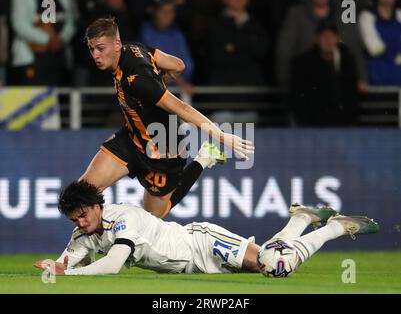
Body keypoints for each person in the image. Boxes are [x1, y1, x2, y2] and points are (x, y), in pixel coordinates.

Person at [79, 18, 254, 218]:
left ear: (117, 44)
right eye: (92, 49)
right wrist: (159, 84)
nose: (95, 55)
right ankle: (79, 249)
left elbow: (182, 108)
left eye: (101, 48)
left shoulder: (139, 79)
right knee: (82, 194)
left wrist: (222, 136)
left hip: (164, 150)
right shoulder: (133, 48)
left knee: (151, 219)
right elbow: (178, 65)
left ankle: (203, 159)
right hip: (132, 139)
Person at [33, 180, 379, 277]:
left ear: (96, 206)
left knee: (277, 267)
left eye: (82, 215)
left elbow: (110, 265)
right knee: (272, 259)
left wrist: (66, 276)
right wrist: (57, 266)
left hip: (202, 242)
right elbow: (67, 262)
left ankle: (333, 228)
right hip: (197, 266)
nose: (79, 224)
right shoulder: (82, 232)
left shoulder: (123, 217)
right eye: (73, 220)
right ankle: (300, 218)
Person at [276, 0, 368, 92]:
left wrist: (361, 77)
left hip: (338, 84)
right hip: (305, 82)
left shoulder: (343, 14)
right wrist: (284, 80)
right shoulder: (296, 14)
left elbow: (354, 48)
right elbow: (284, 49)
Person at [289, 23, 359, 126]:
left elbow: (351, 94)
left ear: (338, 38)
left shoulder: (347, 60)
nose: (328, 40)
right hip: (313, 125)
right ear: (316, 39)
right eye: (324, 36)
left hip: (342, 124)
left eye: (332, 36)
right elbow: (298, 97)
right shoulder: (303, 63)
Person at [9, 0, 76, 86]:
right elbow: (19, 24)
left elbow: (71, 20)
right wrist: (47, 40)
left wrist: (62, 39)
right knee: (35, 97)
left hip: (59, 57)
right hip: (32, 58)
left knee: (58, 96)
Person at [139, 0, 195, 96]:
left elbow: (188, 64)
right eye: (163, 11)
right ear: (155, 12)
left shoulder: (177, 34)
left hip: (179, 92)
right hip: (153, 91)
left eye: (170, 12)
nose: (167, 15)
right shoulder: (146, 31)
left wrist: (180, 80)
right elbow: (155, 63)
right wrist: (181, 82)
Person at [359, 0, 401, 85]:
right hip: (377, 77)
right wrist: (396, 56)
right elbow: (375, 50)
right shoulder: (366, 17)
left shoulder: (400, 16)